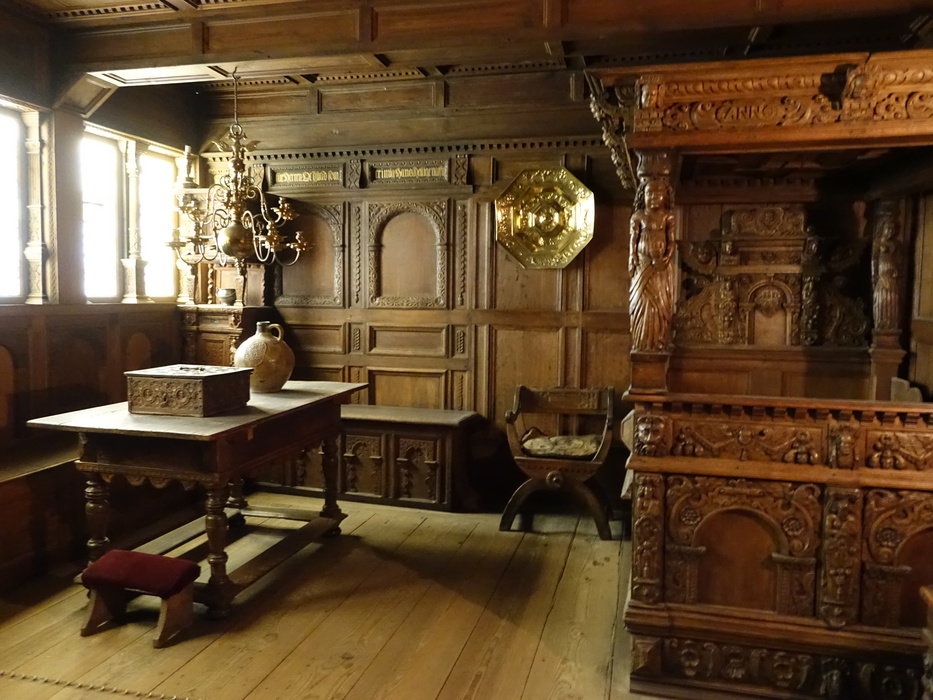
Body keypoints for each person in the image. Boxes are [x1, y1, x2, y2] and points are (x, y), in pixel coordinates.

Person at [629, 177, 676, 352]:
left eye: (658, 193)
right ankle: (641, 342)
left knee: (659, 302)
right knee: (640, 302)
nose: (654, 197)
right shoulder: (638, 216)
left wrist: (666, 257)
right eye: (649, 193)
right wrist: (632, 256)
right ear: (643, 195)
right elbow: (633, 239)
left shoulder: (668, 217)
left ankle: (657, 341)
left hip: (660, 266)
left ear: (665, 196)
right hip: (642, 264)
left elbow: (672, 241)